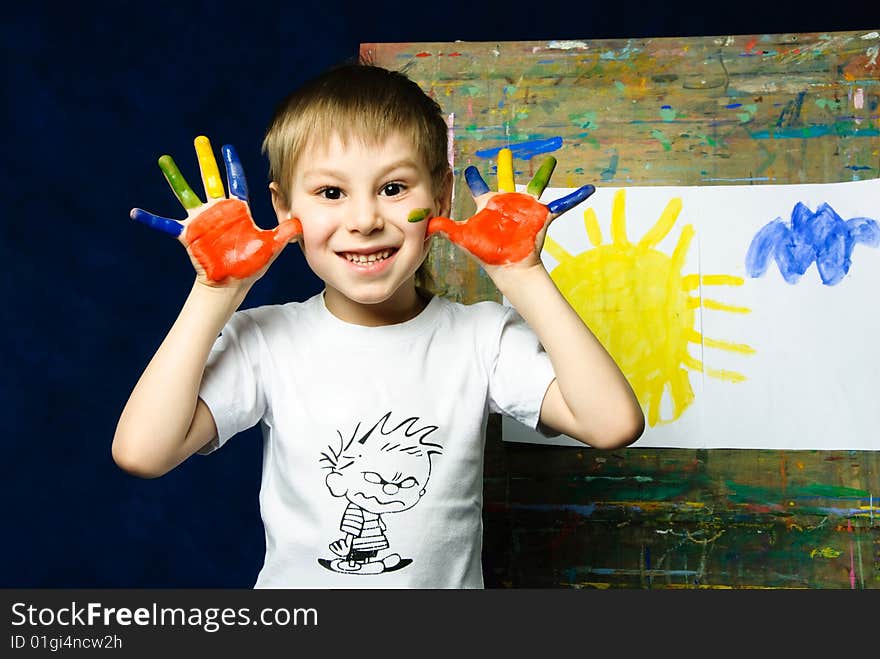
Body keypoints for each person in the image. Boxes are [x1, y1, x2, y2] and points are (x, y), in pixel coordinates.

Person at [112, 62, 645, 588]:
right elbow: (143, 453)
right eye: (331, 193)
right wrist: (216, 291)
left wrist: (522, 274)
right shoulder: (267, 340)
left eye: (393, 188)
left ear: (440, 197)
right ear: (282, 208)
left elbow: (611, 424)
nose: (365, 221)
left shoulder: (482, 338)